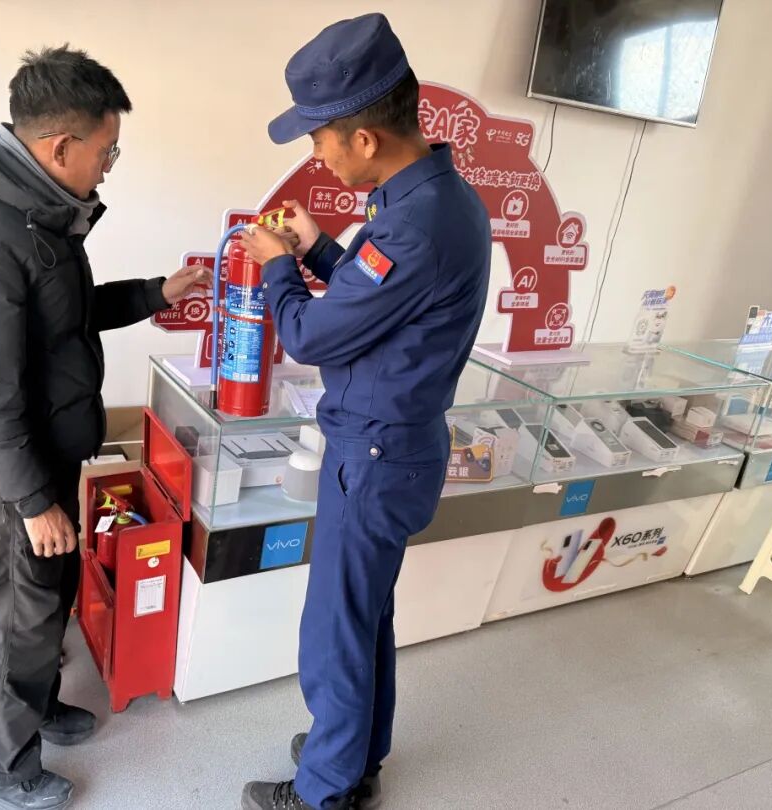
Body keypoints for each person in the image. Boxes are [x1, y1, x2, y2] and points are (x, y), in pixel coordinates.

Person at [0, 45, 207, 810]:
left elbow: (64, 318)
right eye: (107, 151)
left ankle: (36, 707)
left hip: (45, 454)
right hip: (13, 471)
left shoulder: (33, 217)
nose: (109, 166)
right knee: (16, 613)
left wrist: (157, 292)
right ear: (61, 146)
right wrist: (34, 501)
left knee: (47, 598)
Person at [237, 13, 491, 810]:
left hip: (373, 457)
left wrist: (278, 268)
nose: (317, 156)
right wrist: (318, 249)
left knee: (335, 632)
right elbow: (381, 300)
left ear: (365, 138)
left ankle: (324, 792)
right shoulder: (435, 202)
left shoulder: (411, 225)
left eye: (319, 141)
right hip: (397, 447)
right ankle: (355, 755)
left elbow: (312, 334)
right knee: (364, 616)